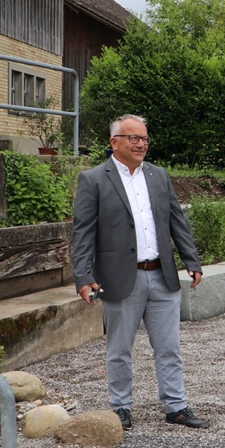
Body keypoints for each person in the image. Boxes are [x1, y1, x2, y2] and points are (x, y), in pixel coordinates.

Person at [71, 114, 208, 431]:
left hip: (162, 276)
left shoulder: (159, 176)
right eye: (133, 138)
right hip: (120, 279)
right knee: (119, 350)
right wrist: (83, 277)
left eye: (144, 138)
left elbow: (177, 222)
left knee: (169, 348)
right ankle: (120, 408)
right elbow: (83, 234)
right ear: (114, 142)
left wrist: (192, 260)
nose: (141, 144)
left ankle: (175, 406)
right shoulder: (93, 180)